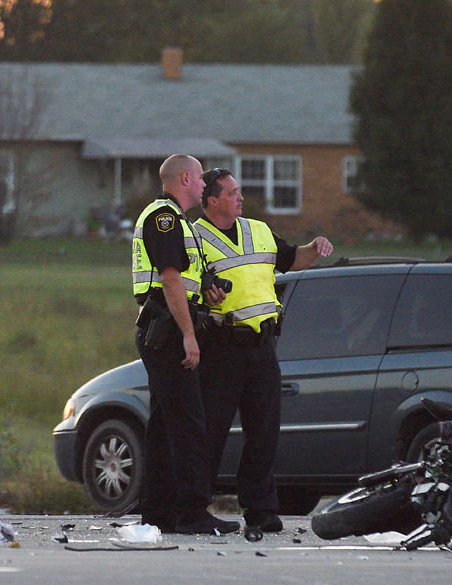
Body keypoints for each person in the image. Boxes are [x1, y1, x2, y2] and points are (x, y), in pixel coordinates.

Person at [193, 168, 333, 536]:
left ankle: (261, 510)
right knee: (211, 432)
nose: (241, 197)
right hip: (221, 346)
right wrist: (204, 291)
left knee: (264, 432)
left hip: (262, 347)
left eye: (239, 191)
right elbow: (183, 283)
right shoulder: (194, 237)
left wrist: (314, 247)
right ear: (212, 201)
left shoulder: (258, 230)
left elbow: (291, 259)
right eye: (232, 193)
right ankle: (194, 507)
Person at [131, 154, 240, 535]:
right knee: (190, 424)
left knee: (164, 426)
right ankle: (192, 511)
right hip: (168, 330)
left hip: (167, 327)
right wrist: (189, 335)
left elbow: (185, 278)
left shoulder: (178, 221)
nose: (203, 184)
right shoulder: (164, 218)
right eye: (199, 178)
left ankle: (158, 511)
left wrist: (206, 291)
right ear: (184, 179)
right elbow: (170, 278)